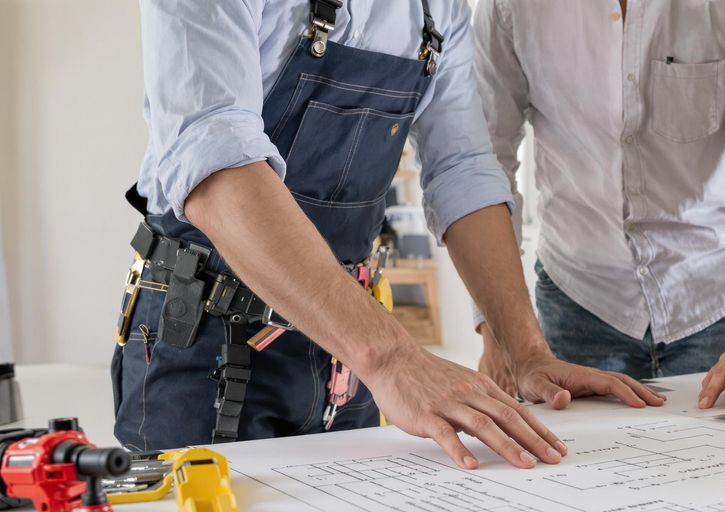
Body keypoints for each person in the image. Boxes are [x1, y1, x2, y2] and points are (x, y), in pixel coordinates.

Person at [111, 0, 664, 471]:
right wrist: (392, 357)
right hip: (205, 337)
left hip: (346, 359)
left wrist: (526, 352)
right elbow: (216, 167)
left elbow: (463, 168)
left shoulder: (437, 8)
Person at [473, 0, 725, 411]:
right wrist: (498, 329)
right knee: (575, 452)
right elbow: (484, 160)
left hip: (719, 301)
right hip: (579, 296)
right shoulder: (509, 6)